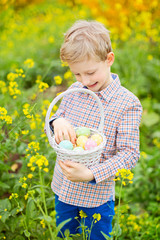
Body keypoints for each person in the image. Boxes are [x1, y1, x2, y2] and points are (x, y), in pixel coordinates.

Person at [48, 20, 142, 239]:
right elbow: (56, 121)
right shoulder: (74, 90)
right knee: (65, 235)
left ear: (109, 59)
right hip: (63, 189)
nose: (85, 81)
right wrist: (57, 122)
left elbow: (129, 154)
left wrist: (90, 173)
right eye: (77, 74)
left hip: (96, 199)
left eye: (90, 73)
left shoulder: (127, 103)